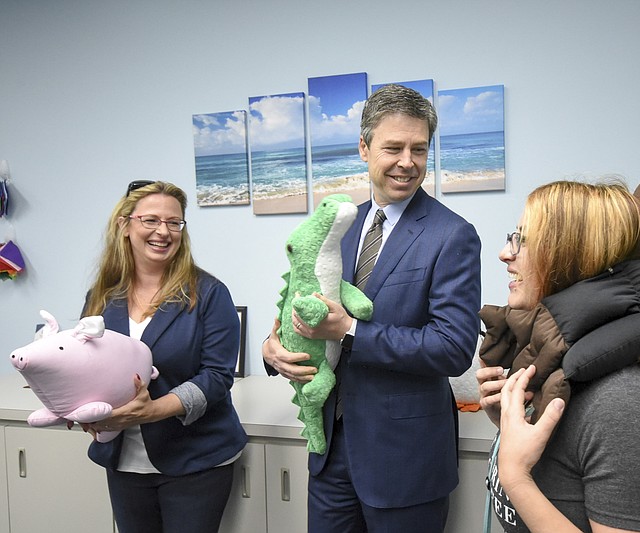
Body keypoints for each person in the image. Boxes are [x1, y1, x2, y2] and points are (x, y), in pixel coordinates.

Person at [262, 84, 482, 532]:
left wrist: (350, 332)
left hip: (405, 461)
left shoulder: (452, 235)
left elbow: (453, 348)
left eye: (419, 149)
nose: (407, 161)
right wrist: (272, 349)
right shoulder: (338, 225)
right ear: (364, 149)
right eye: (394, 147)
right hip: (329, 454)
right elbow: (299, 305)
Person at [477, 180, 640, 532]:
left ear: (575, 259)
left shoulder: (631, 406)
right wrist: (508, 422)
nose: (505, 253)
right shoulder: (558, 374)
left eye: (523, 239)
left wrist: (516, 478)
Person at [80, 180, 247, 533]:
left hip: (196, 460)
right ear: (125, 226)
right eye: (151, 220)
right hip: (124, 462)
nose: (164, 231)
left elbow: (217, 377)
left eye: (174, 222)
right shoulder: (102, 296)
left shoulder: (209, 294)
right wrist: (82, 411)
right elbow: (85, 367)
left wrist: (153, 410)